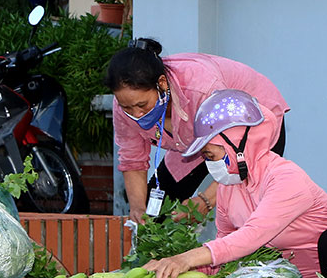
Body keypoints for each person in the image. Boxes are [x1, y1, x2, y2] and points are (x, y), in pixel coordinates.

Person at [145, 91, 327, 278]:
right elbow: (226, 249)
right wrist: (171, 269)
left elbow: (252, 236)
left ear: (235, 144)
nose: (209, 164)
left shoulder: (286, 178)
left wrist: (186, 258)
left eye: (210, 155)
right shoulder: (228, 187)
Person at [106, 39, 289, 225]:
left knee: (243, 211)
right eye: (127, 107)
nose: (136, 114)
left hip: (252, 128)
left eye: (142, 105)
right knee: (156, 216)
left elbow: (239, 157)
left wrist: (205, 201)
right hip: (195, 137)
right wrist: (138, 208)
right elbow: (133, 159)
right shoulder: (125, 105)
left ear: (161, 84)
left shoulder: (202, 90)